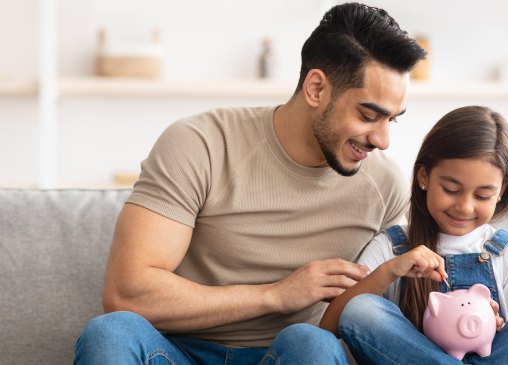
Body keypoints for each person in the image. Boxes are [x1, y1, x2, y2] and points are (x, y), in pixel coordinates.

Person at [74, 3, 427, 365]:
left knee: (313, 343)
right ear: (317, 88)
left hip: (291, 355)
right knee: (110, 332)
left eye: (392, 121)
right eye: (369, 116)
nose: (382, 139)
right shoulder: (201, 144)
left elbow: (405, 293)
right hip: (176, 354)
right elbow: (127, 295)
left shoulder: (384, 184)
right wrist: (275, 295)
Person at [320, 106, 508, 364]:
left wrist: (497, 326)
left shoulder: (506, 252)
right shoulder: (392, 246)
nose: (465, 207)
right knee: (360, 309)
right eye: (451, 189)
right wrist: (389, 271)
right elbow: (331, 327)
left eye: (482, 195)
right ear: (423, 176)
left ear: (502, 190)